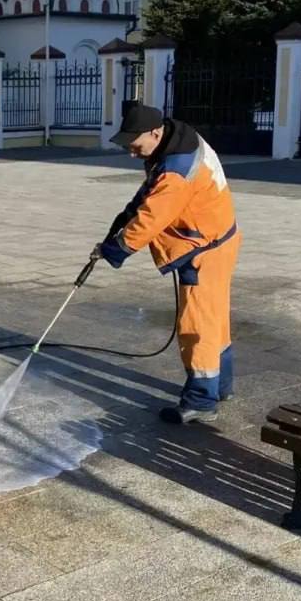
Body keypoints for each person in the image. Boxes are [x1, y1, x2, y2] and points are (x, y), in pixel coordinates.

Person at [98, 102, 240, 424]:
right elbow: (151, 190)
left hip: (204, 248)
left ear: (154, 132)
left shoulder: (178, 170)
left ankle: (202, 401)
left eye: (135, 146)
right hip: (219, 239)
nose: (132, 154)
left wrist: (114, 250)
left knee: (197, 325)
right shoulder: (176, 142)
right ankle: (222, 387)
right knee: (215, 318)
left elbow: (152, 217)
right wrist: (125, 214)